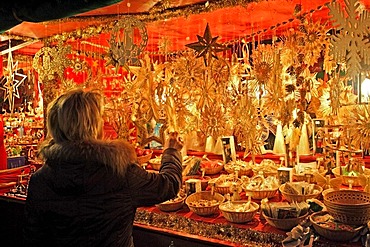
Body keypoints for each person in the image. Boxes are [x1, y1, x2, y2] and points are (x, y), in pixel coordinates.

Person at [23, 88, 183, 247]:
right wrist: (171, 151)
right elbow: (167, 185)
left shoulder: (40, 179)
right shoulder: (119, 172)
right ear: (92, 125)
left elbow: (34, 236)